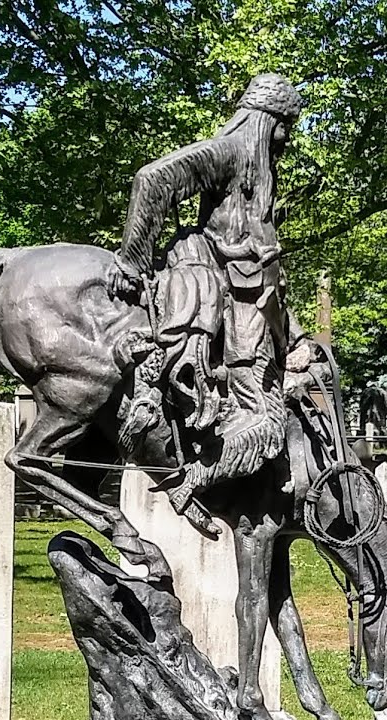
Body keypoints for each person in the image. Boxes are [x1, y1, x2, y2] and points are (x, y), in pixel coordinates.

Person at [112, 73, 303, 519]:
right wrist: (133, 262)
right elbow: (153, 180)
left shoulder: (257, 175)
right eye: (284, 126)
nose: (287, 139)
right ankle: (191, 480)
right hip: (231, 305)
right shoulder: (229, 151)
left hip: (254, 302)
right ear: (265, 120)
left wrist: (293, 336)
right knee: (265, 421)